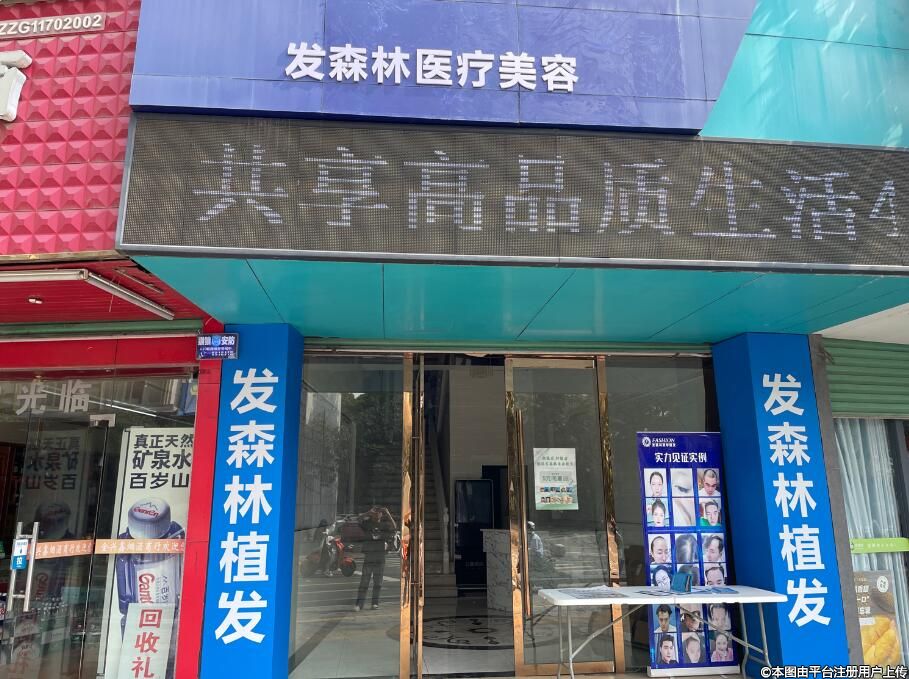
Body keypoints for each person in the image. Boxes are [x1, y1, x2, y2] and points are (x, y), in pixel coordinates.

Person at [354, 505, 396, 612]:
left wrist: (388, 514)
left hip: (380, 556)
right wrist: (367, 513)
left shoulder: (384, 525)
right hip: (369, 556)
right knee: (364, 581)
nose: (377, 514)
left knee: (378, 582)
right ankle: (359, 604)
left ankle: (375, 603)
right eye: (375, 512)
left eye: (379, 512)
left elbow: (394, 527)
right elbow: (358, 520)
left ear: (381, 514)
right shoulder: (368, 524)